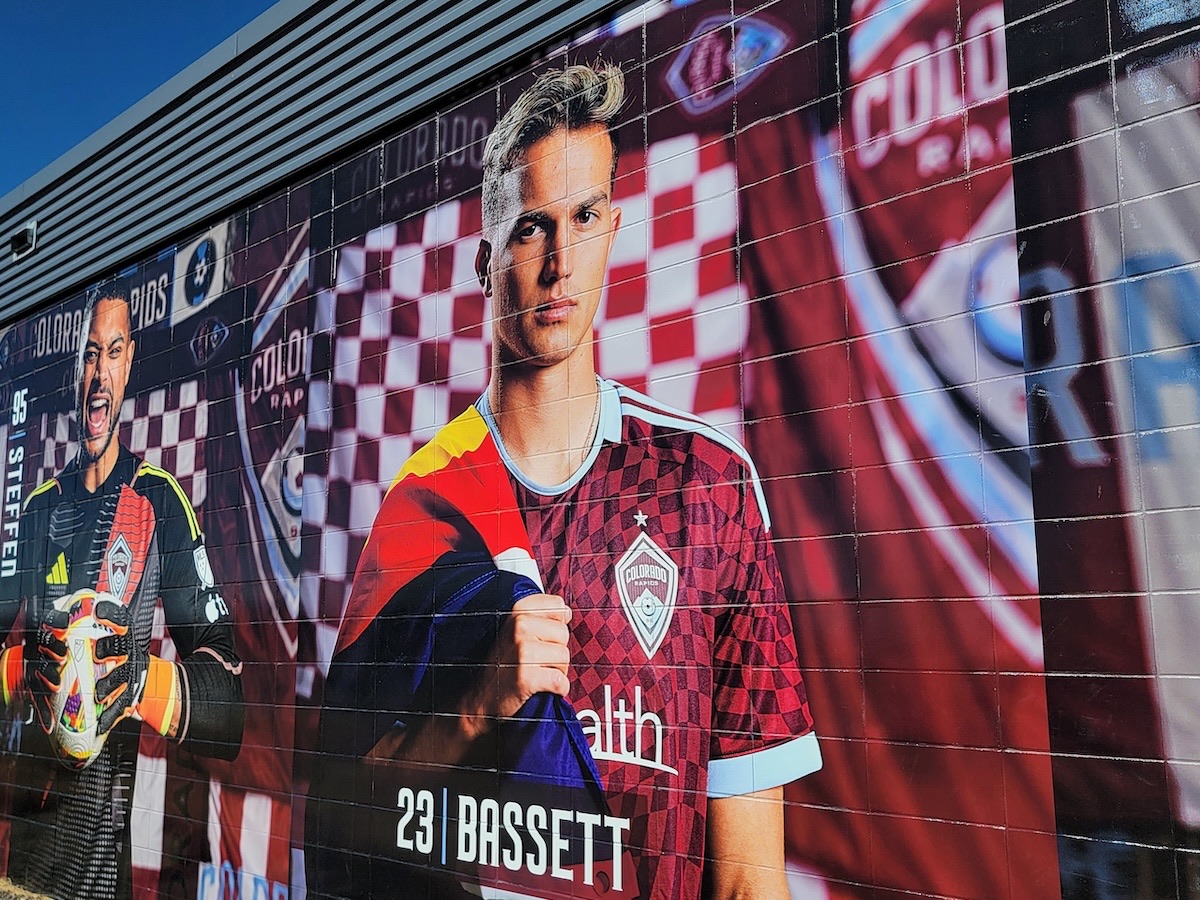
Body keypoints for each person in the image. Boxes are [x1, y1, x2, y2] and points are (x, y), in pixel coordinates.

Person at [312, 62, 820, 899]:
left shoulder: (708, 485)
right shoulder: (423, 503)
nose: (558, 264)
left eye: (583, 219)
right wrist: (475, 708)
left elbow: (747, 879)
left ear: (614, 231)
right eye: (528, 229)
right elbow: (339, 822)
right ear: (484, 260)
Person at [0, 282, 244, 899]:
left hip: (98, 874)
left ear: (130, 361)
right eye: (87, 355)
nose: (99, 373)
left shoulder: (158, 501)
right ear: (72, 371)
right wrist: (23, 670)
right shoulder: (35, 512)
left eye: (112, 352)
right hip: (18, 866)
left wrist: (138, 680)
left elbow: (229, 708)